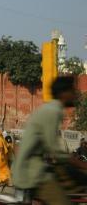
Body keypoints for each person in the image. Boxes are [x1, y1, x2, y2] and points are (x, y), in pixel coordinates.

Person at [12, 76, 86, 205]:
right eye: (72, 91)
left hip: (36, 168)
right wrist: (82, 165)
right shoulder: (53, 111)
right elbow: (56, 152)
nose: (75, 94)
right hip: (33, 173)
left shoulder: (49, 109)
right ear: (64, 93)